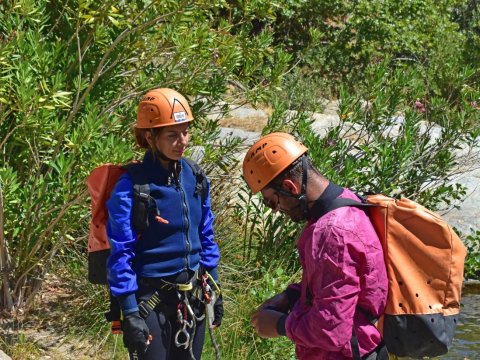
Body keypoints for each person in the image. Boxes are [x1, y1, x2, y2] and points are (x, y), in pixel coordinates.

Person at [242, 132, 389, 359]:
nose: (276, 210)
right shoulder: (346, 203)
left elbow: (331, 331)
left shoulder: (332, 233)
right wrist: (291, 296)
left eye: (272, 201)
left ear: (291, 187)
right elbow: (334, 286)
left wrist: (280, 325)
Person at [106, 88, 223, 360]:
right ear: (150, 137)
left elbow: (206, 234)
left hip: (192, 298)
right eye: (172, 135)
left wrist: (215, 287)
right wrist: (130, 312)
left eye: (185, 132)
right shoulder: (132, 187)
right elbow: (120, 253)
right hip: (150, 303)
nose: (182, 142)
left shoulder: (195, 176)